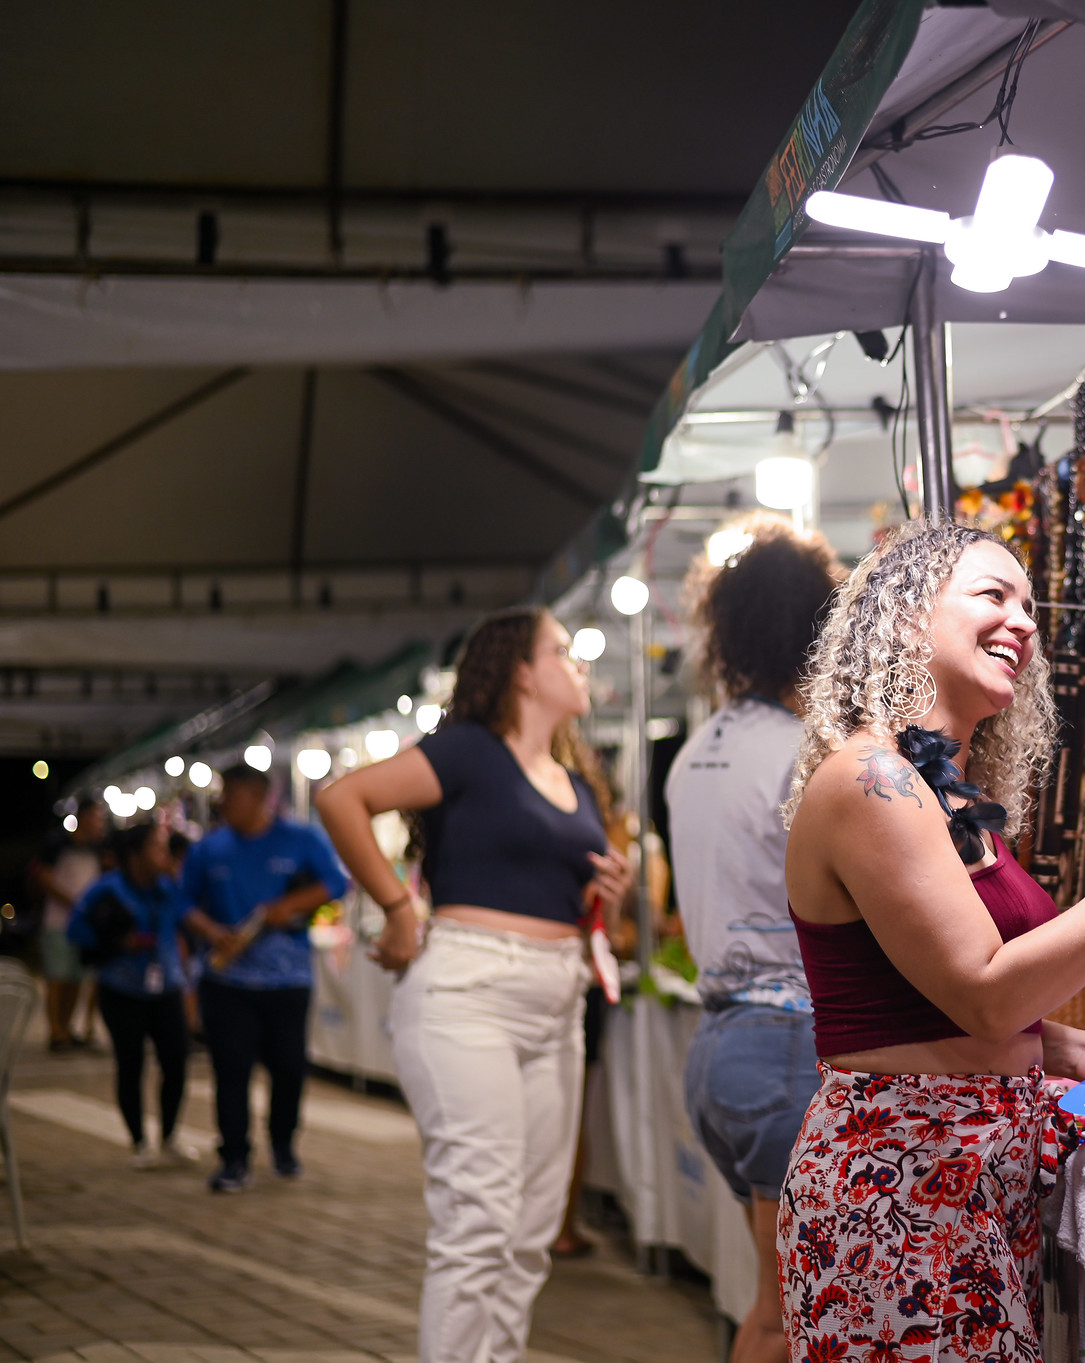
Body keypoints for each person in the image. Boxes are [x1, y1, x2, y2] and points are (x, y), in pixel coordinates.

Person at [777, 521, 1085, 1362]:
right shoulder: (871, 777)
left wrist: (1056, 1041)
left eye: (1029, 604)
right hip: (900, 1189)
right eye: (993, 595)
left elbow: (926, 995)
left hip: (964, 1186)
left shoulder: (943, 792)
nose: (1023, 621)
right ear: (907, 616)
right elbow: (987, 993)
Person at [314, 607, 632, 1363]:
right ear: (520, 670)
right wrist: (399, 910)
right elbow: (340, 798)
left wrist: (611, 899)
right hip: (469, 994)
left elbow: (588, 914)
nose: (579, 663)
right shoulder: (467, 751)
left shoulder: (577, 781)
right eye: (562, 650)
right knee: (479, 1224)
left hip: (560, 1000)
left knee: (529, 1233)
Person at [665, 515, 840, 1363]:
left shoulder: (696, 750)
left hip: (722, 1047)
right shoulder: (803, 755)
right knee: (785, 1317)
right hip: (784, 1046)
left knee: (778, 1306)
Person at [183, 762, 351, 1192]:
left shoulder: (302, 839)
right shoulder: (209, 849)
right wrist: (213, 932)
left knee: (289, 1069)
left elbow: (337, 883)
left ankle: (283, 1145)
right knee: (231, 1070)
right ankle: (234, 1157)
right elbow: (182, 903)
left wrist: (289, 906)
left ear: (261, 797)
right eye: (224, 794)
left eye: (233, 794)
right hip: (227, 982)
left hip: (288, 980)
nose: (225, 802)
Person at [67, 822, 196, 1168]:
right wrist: (116, 942)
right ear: (135, 854)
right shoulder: (107, 889)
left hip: (165, 987)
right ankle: (139, 1142)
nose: (164, 855)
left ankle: (169, 1137)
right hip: (121, 989)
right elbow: (76, 929)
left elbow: (188, 919)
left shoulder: (169, 887)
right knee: (130, 1065)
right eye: (157, 847)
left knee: (176, 1063)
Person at [30, 798, 106, 1050]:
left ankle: (66, 1027)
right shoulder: (57, 843)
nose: (100, 823)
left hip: (83, 924)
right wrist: (73, 901)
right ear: (84, 816)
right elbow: (43, 877)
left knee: (76, 978)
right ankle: (56, 1031)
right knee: (57, 977)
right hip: (57, 921)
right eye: (97, 817)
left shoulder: (96, 848)